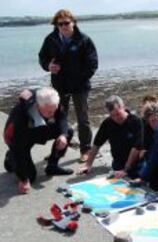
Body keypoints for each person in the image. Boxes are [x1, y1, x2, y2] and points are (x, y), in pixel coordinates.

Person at [38, 9, 98, 162]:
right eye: (60, 24)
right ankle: (58, 150)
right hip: (60, 86)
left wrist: (80, 79)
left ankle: (85, 149)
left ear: (73, 22)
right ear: (56, 25)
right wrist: (48, 66)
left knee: (82, 118)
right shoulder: (51, 39)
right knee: (59, 118)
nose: (64, 26)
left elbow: (92, 64)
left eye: (66, 23)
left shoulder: (84, 40)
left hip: (80, 86)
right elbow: (42, 57)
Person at [3, 87, 74, 194]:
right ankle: (9, 159)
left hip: (39, 127)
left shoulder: (52, 101)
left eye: (54, 110)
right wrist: (23, 179)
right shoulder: (21, 115)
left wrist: (63, 135)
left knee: (68, 131)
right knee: (30, 177)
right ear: (37, 106)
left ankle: (52, 166)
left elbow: (62, 118)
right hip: (18, 137)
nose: (52, 114)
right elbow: (17, 148)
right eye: (49, 112)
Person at [78, 96, 143, 179]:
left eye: (118, 114)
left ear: (123, 107)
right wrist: (88, 164)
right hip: (118, 163)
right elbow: (97, 144)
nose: (116, 118)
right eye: (112, 116)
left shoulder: (136, 121)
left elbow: (137, 147)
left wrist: (126, 170)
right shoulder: (108, 123)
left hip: (135, 162)